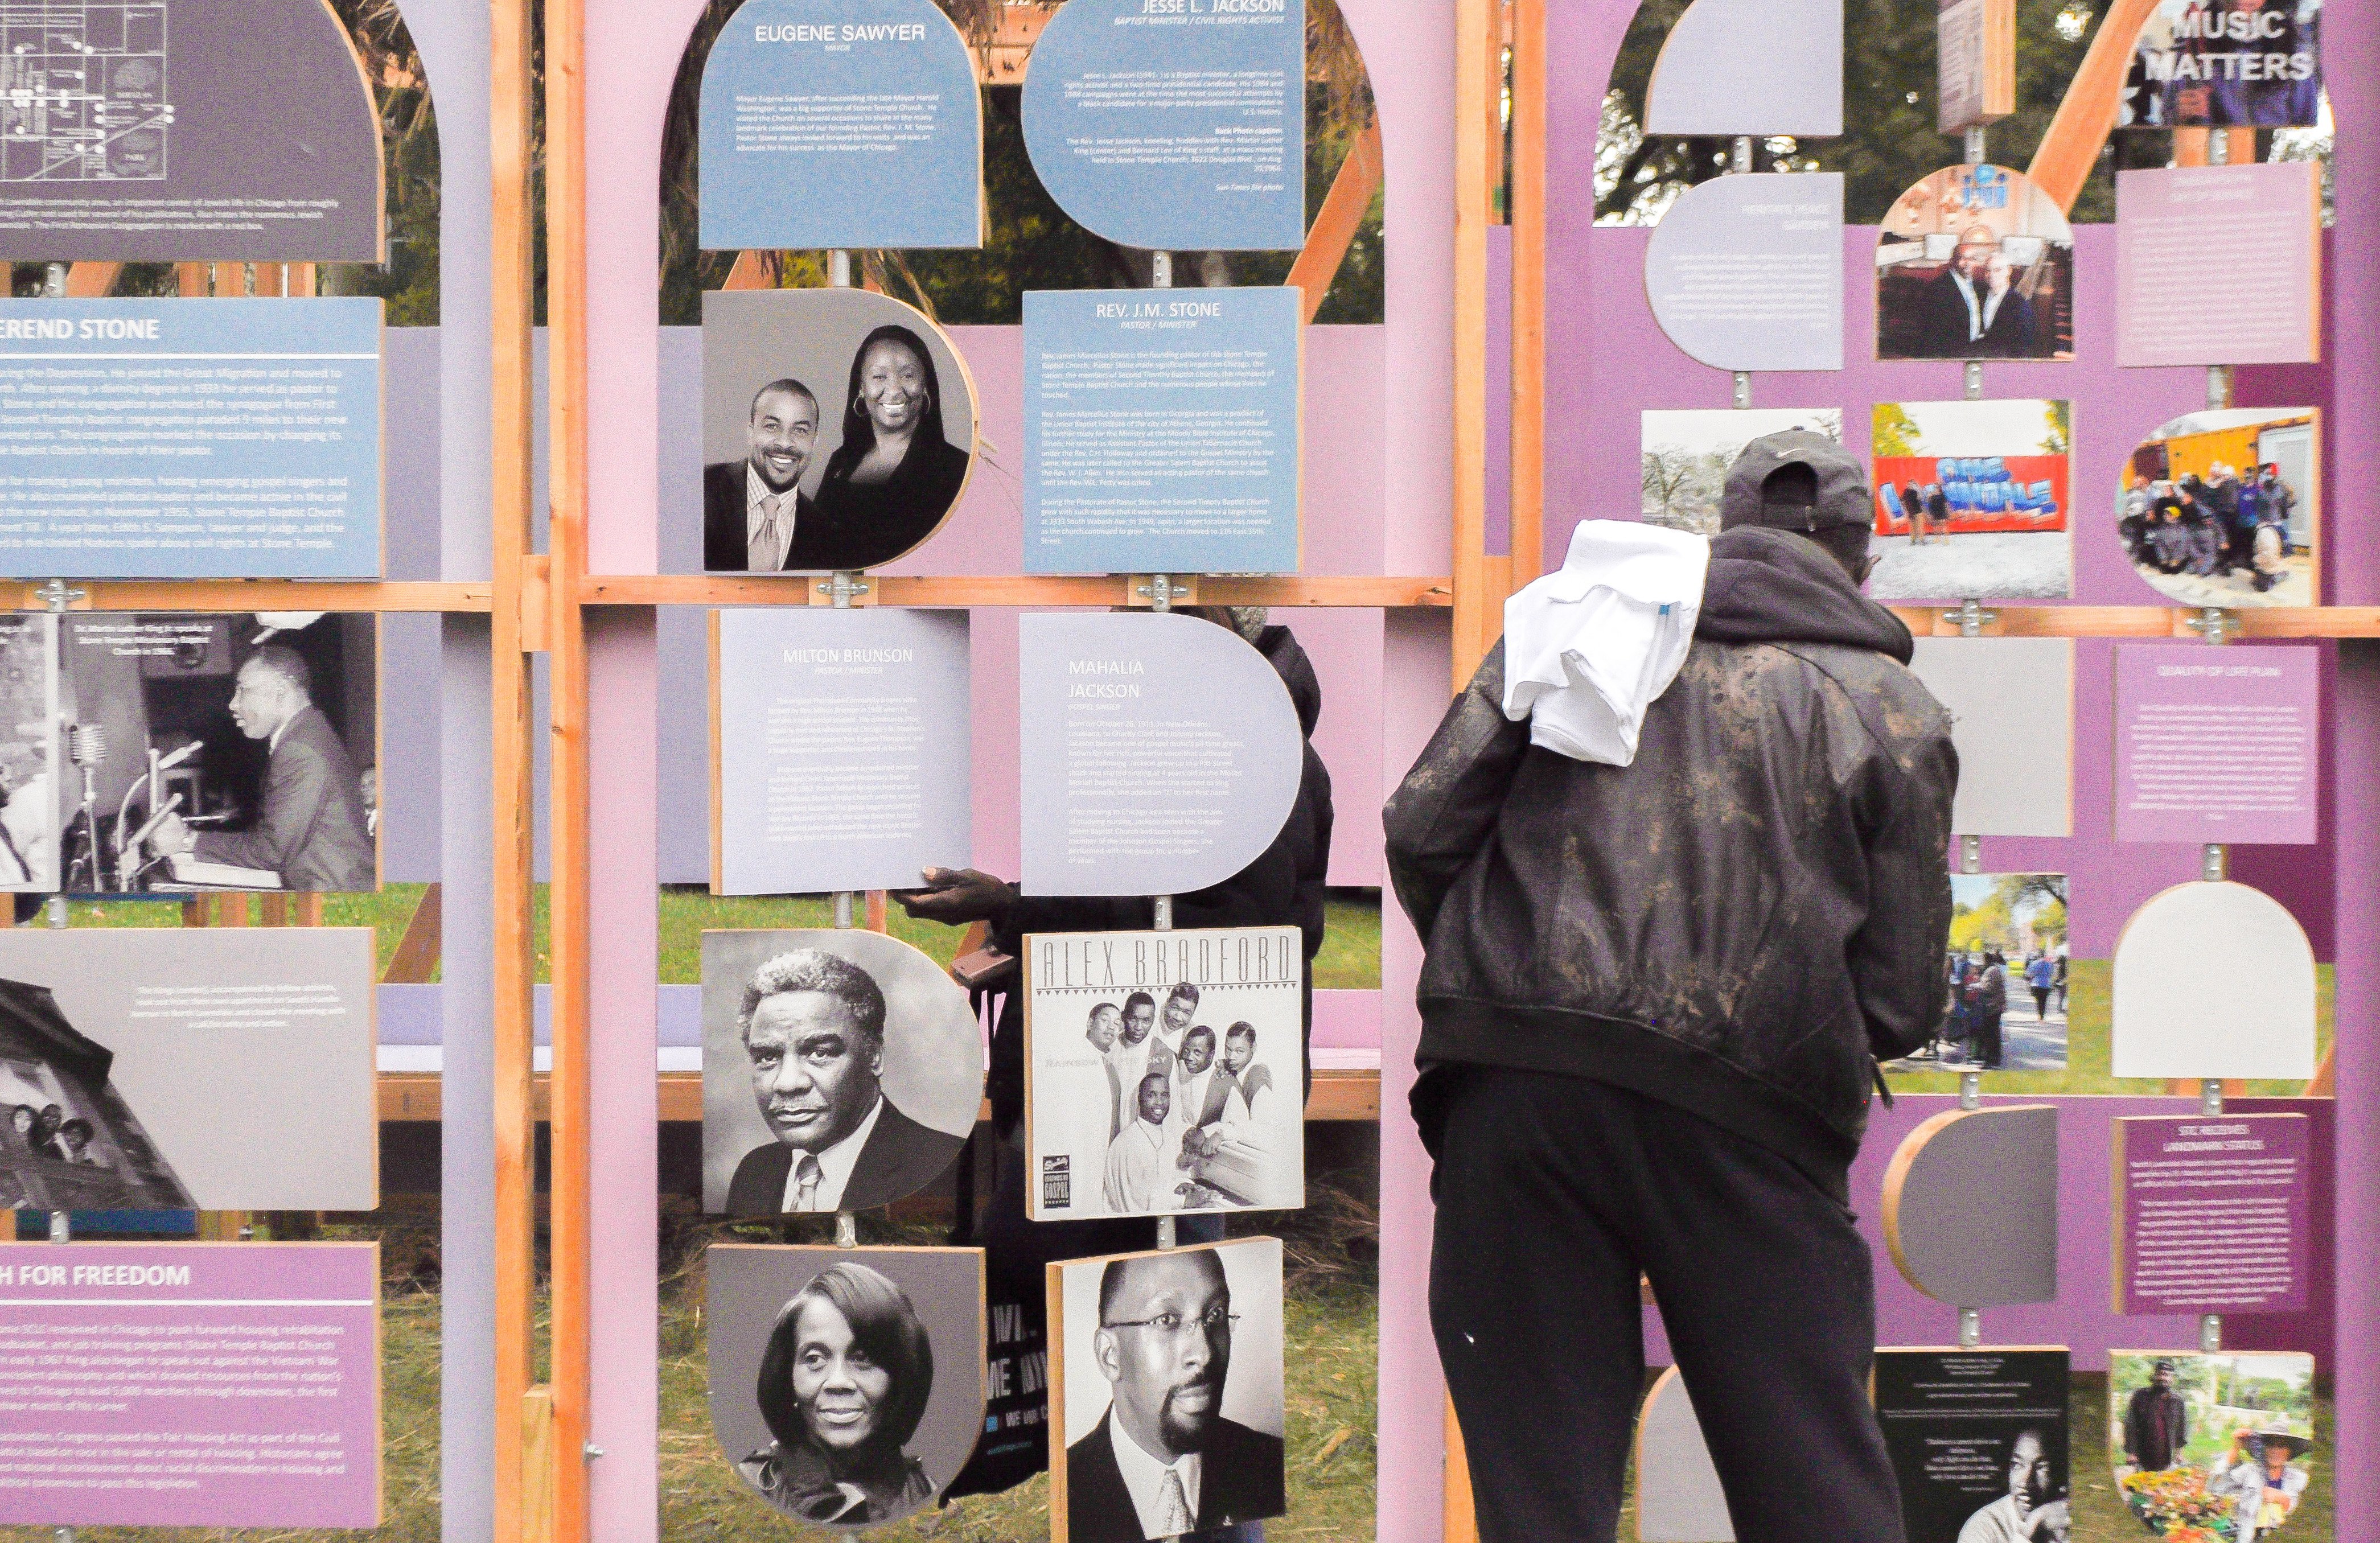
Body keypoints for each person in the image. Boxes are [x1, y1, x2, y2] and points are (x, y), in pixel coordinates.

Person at [1387, 430, 1956, 1543]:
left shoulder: (1574, 623)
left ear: (1722, 532)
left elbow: (1420, 822)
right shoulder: (1891, 709)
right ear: (1859, 564)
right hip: (1745, 1112)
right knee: (1812, 1481)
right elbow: (1901, 999)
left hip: (1514, 1085)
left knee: (1538, 1499)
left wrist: (1502, 973)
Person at [899, 602, 1333, 1507]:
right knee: (1119, 1321)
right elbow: (1148, 907)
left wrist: (1015, 906)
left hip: (1176, 1122)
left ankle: (1177, 1510)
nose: (1122, 626)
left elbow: (1212, 939)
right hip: (1130, 1105)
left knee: (1168, 1331)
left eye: (1153, 605)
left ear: (1218, 622)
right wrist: (1022, 932)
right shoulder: (1196, 734)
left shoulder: (1257, 755)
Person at [723, 949, 966, 1215]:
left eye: (820, 1053)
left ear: (874, 1057)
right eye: (768, 1057)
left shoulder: (941, 1163)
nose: (787, 1083)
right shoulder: (755, 1173)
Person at [1065, 1250, 1286, 1542]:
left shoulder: (1264, 1464)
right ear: (1111, 1356)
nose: (1204, 1354)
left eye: (1215, 1315)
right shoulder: (1068, 1487)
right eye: (1167, 1320)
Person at [146, 647, 375, 892]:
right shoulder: (308, 734)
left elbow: (271, 852)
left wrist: (187, 839)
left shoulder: (300, 749)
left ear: (279, 692)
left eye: (243, 690)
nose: (233, 704)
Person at [738, 1261, 937, 1525]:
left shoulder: (927, 1495)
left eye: (863, 1358)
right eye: (815, 1359)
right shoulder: (748, 1489)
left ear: (900, 1377)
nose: (838, 1382)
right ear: (788, 1375)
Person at [807, 326, 972, 570]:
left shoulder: (955, 468)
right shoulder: (841, 462)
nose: (894, 391)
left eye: (908, 376)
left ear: (927, 386)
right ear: (861, 389)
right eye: (879, 377)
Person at [704, 378, 825, 573]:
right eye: (772, 426)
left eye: (800, 430)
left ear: (814, 440)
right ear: (751, 432)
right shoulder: (699, 490)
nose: (785, 443)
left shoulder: (826, 533)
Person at [1902, 229, 2041, 360]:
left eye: (1973, 258)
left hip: (1992, 360)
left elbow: (2023, 346)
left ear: (2009, 271)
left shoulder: (2017, 304)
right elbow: (1929, 332)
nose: (1968, 263)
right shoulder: (1938, 289)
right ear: (1953, 261)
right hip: (1949, 356)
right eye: (1962, 258)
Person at [1958, 1429, 2068, 1543]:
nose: (2025, 1482)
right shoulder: (1983, 1527)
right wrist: (2033, 1525)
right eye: (2017, 1465)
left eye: (2041, 1467)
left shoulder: (2070, 1516)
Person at [2208, 1426, 2308, 1542]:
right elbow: (2215, 1488)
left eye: (2281, 1446)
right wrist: (2235, 1449)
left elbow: (2309, 1519)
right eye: (2271, 1445)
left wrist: (2284, 1500)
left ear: (2289, 1451)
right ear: (2263, 1448)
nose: (2275, 1451)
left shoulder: (2301, 1479)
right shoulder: (2248, 1472)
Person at [1103, 1071, 1183, 1214]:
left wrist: (1182, 1185)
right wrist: (1184, 1202)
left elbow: (1162, 1182)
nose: (1159, 1102)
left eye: (1164, 1095)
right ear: (1140, 1100)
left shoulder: (1169, 1137)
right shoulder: (1127, 1143)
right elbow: (1137, 1202)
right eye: (1152, 1095)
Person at [2123, 1360, 2190, 1474]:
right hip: (2143, 1456)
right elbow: (2131, 1425)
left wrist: (2179, 1453)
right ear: (2154, 1376)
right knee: (2142, 1487)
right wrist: (2131, 1452)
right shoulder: (2140, 1396)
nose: (2163, 1378)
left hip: (2166, 1457)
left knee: (2163, 1487)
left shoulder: (2178, 1401)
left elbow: (2182, 1428)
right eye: (2160, 1374)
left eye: (2166, 1375)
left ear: (2171, 1378)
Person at [1971, 950, 2010, 1069]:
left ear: (1987, 960)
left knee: (1990, 1035)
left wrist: (1975, 986)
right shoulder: (1995, 970)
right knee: (1993, 1034)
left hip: (1992, 1007)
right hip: (1995, 1006)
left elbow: (1988, 988)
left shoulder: (1992, 971)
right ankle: (1993, 1059)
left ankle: (1990, 1060)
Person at [2025, 952, 2055, 1022]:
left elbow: (2029, 973)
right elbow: (2052, 974)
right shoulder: (2050, 965)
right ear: (2045, 956)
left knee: (2038, 1000)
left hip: (2036, 985)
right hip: (2046, 985)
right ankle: (2042, 1016)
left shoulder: (2034, 963)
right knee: (2044, 1001)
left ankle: (2040, 1015)